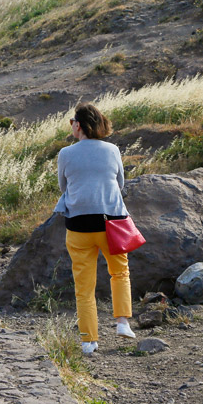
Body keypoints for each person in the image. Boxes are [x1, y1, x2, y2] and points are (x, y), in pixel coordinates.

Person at [53, 103, 136, 355]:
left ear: (78, 125)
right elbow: (120, 183)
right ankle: (122, 322)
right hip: (111, 221)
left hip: (78, 225)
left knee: (84, 286)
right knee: (120, 272)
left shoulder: (66, 154)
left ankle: (89, 341)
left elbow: (62, 186)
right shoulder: (112, 150)